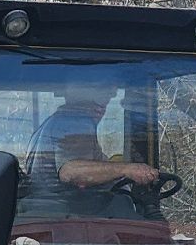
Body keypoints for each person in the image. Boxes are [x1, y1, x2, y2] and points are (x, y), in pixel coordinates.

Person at [22, 81, 159, 194]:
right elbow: (70, 171)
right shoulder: (75, 121)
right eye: (101, 104)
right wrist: (126, 169)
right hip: (70, 217)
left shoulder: (53, 123)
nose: (101, 111)